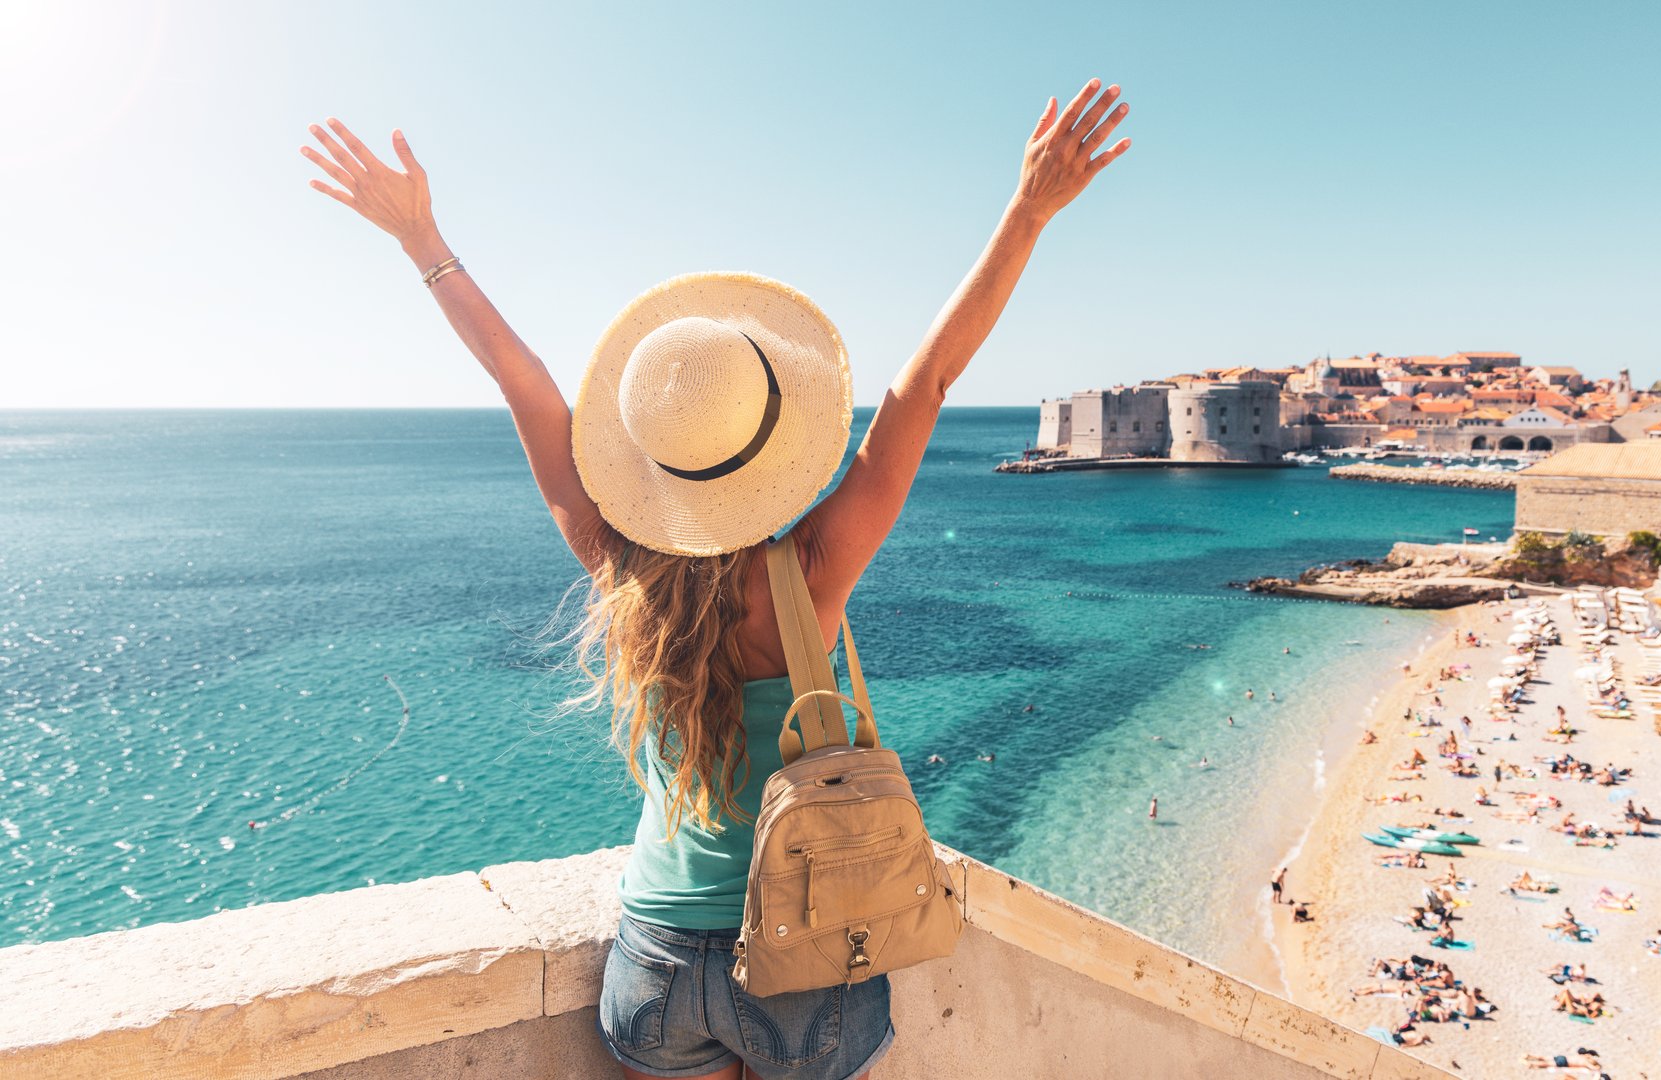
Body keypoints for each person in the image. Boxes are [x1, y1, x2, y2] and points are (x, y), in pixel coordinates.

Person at [300, 80, 1132, 1080]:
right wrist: (1029, 210)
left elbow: (524, 384)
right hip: (800, 954)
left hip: (653, 958)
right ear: (771, 440)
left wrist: (422, 240)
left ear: (648, 459)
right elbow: (928, 383)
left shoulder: (619, 571)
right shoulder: (809, 575)